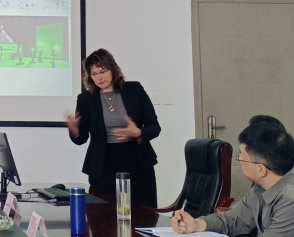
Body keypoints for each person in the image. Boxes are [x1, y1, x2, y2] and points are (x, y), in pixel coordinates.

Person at [66, 48, 160, 207]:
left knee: (143, 216)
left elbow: (154, 127)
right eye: (94, 74)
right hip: (103, 168)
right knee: (103, 218)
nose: (99, 77)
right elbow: (81, 139)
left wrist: (138, 132)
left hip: (138, 164)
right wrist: (75, 131)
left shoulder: (134, 90)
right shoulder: (86, 99)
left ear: (113, 69)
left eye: (103, 71)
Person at [172, 122, 294, 236]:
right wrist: (196, 224)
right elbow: (233, 220)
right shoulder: (261, 187)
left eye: (241, 156)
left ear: (260, 169)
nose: (239, 161)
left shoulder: (290, 200)